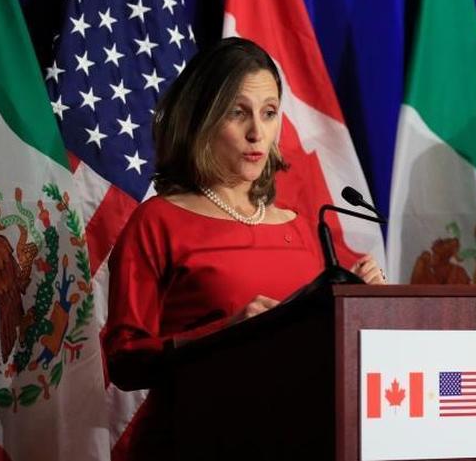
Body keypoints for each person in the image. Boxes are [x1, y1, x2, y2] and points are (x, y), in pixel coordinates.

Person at [102, 38, 384, 460]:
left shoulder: (303, 228)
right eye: (238, 112)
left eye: (269, 113)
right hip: (193, 442)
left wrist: (360, 302)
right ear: (201, 118)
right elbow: (125, 360)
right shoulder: (158, 222)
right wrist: (225, 333)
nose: (257, 132)